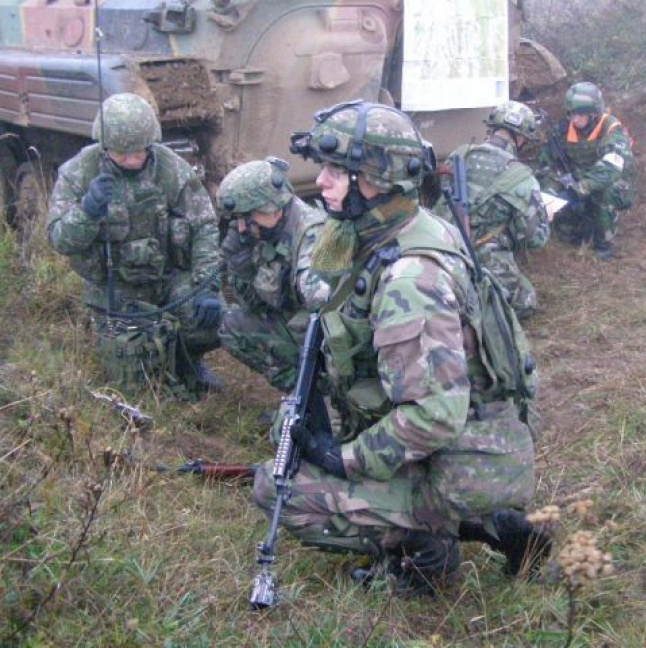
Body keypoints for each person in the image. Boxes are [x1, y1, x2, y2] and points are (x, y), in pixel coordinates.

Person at [253, 100, 548, 596]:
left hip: (463, 455)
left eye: (334, 171)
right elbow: (324, 287)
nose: (321, 182)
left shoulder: (410, 280)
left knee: (279, 488)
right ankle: (476, 522)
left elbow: (435, 415)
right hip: (454, 434)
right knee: (287, 429)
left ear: (374, 179)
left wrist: (345, 459)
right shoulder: (391, 225)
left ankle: (429, 551)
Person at [47, 93, 224, 395]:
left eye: (138, 152)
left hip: (166, 279)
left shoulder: (171, 168)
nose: (131, 160)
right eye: (121, 153)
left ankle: (189, 363)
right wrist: (87, 212)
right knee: (133, 372)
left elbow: (204, 226)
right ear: (105, 147)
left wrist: (207, 285)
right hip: (113, 290)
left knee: (211, 319)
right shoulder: (79, 172)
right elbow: (60, 240)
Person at [217, 158, 329, 396]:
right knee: (233, 326)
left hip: (324, 341)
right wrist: (240, 266)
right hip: (296, 326)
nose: (241, 228)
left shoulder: (312, 236)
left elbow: (325, 313)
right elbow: (256, 307)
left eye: (247, 218)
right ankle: (305, 395)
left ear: (273, 209)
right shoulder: (265, 233)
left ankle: (329, 395)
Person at [434, 100, 549, 321]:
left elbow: (444, 193)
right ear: (521, 138)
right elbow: (536, 238)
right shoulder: (522, 177)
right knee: (525, 301)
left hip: (441, 242)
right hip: (482, 254)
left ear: (492, 127)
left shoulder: (460, 154)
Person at [536, 81, 635, 260]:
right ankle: (574, 228)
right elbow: (546, 162)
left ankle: (604, 245)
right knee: (549, 190)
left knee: (605, 193)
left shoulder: (613, 130)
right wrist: (552, 185)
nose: (575, 120)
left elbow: (610, 169)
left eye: (580, 114)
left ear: (593, 113)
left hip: (611, 184)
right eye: (571, 114)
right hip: (577, 181)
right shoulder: (564, 129)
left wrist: (580, 188)